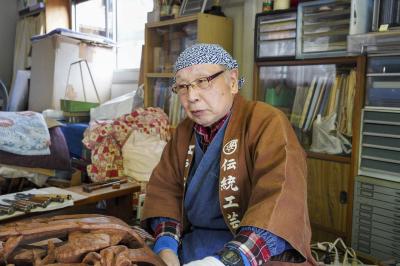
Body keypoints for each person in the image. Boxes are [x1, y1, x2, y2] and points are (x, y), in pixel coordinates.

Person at [142, 43, 316, 266]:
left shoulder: (267, 122)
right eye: (183, 87)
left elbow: (280, 201)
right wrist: (166, 250)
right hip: (194, 246)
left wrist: (226, 261)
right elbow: (165, 192)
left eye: (202, 81)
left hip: (255, 253)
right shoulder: (184, 132)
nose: (191, 96)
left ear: (232, 81)